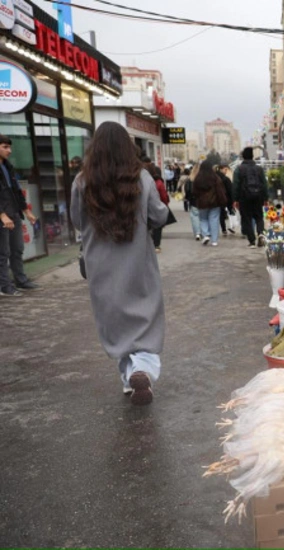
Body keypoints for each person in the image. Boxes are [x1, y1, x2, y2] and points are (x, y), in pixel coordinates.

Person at [69, 121, 169, 405]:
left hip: (100, 265)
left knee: (115, 321)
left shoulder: (81, 181)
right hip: (137, 261)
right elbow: (159, 215)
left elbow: (77, 220)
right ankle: (142, 370)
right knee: (145, 318)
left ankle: (129, 377)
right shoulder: (142, 178)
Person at [0, 134, 38, 296]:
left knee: (17, 249)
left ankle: (20, 280)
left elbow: (16, 191)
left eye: (9, 146)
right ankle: (5, 286)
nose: (9, 150)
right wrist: (2, 215)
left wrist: (27, 211)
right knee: (3, 253)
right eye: (5, 147)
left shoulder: (8, 166)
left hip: (14, 212)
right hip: (3, 216)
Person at [233, 147, 267, 249]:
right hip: (258, 196)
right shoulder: (259, 169)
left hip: (244, 198)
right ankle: (260, 233)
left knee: (247, 218)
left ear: (243, 156)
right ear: (252, 156)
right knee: (259, 216)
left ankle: (252, 241)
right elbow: (264, 184)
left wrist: (235, 199)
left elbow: (235, 185)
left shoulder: (238, 169)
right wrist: (266, 198)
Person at [192, 160, 226, 247]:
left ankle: (206, 235)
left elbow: (194, 191)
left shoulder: (198, 178)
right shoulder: (216, 178)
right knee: (214, 220)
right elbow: (220, 191)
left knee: (203, 219)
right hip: (214, 203)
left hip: (202, 203)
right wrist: (223, 201)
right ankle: (214, 240)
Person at [149, 164, 170, 252]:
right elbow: (163, 196)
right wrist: (165, 205)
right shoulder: (159, 182)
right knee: (158, 227)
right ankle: (156, 245)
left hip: (148, 206)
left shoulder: (147, 181)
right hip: (158, 205)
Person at [182, 166, 201, 240]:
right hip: (202, 201)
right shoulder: (203, 179)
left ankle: (197, 233)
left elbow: (187, 190)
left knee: (194, 217)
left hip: (193, 201)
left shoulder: (189, 180)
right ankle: (204, 232)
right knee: (202, 218)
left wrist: (188, 198)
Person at [216, 164, 234, 236]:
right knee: (229, 212)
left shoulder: (215, 177)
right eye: (225, 169)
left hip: (217, 198)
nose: (226, 171)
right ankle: (231, 226)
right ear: (221, 169)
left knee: (221, 214)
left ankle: (223, 229)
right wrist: (233, 200)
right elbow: (230, 190)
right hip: (226, 198)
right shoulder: (226, 179)